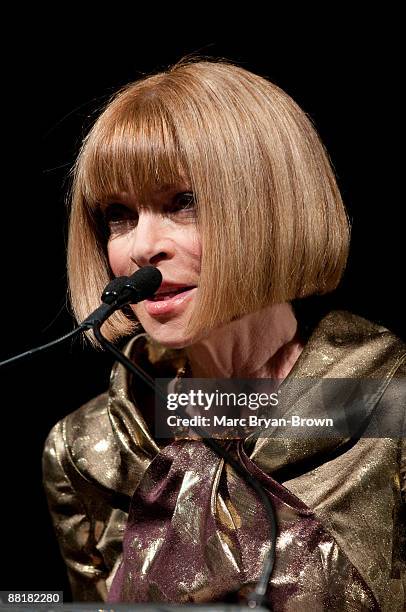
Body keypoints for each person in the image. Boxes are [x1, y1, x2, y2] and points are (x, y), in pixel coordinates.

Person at [42, 58, 405, 609]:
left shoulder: (391, 401)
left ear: (271, 207)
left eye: (180, 202)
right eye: (119, 214)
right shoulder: (92, 448)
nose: (140, 247)